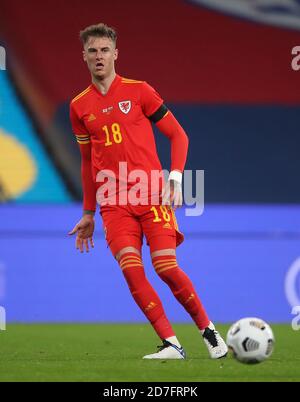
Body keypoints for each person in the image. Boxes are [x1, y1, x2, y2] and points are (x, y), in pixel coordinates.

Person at [69, 23, 228, 359]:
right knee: (131, 268)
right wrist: (87, 212)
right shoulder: (79, 107)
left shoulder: (139, 91)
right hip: (113, 203)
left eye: (105, 50)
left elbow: (179, 135)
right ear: (83, 56)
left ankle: (208, 332)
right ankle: (171, 344)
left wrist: (175, 180)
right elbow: (87, 162)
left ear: (116, 54)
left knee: (166, 267)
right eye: (93, 51)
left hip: (151, 193)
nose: (99, 56)